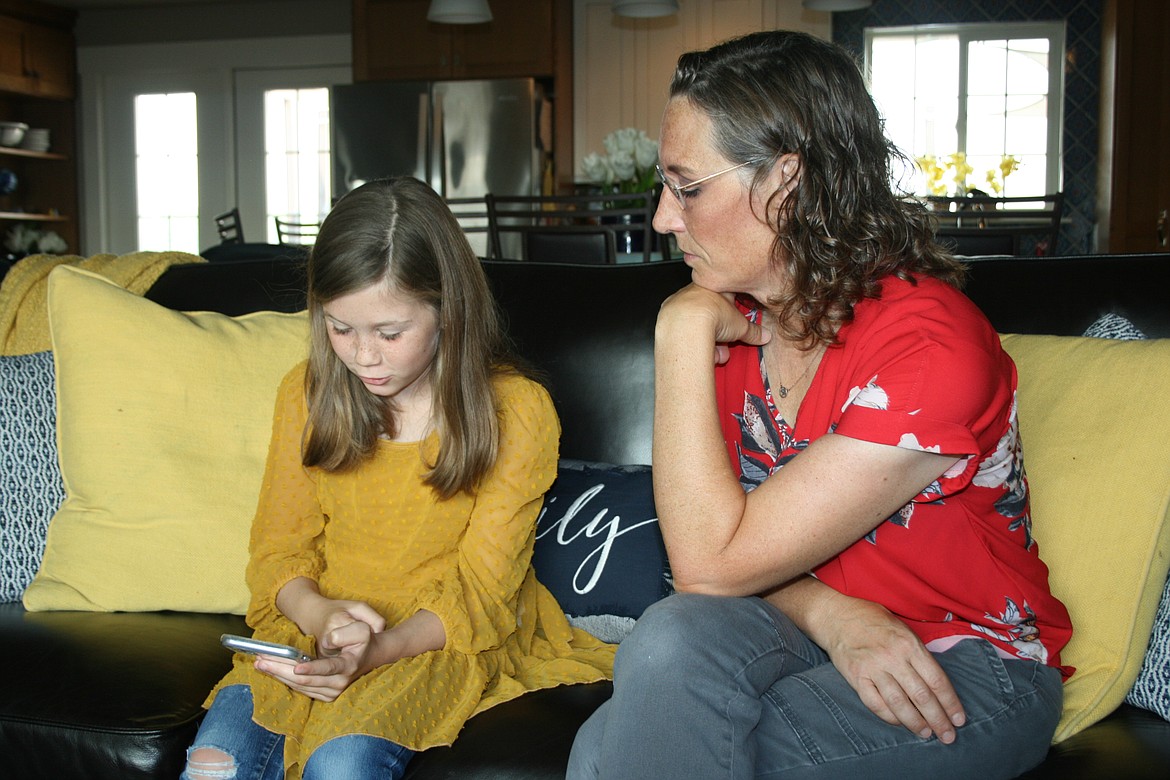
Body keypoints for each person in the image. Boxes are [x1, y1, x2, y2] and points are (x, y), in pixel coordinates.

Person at [568, 30, 1072, 780]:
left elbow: (709, 561)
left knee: (616, 749)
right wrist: (835, 616)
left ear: (787, 181)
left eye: (688, 186)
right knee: (670, 640)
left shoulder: (930, 349)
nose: (664, 220)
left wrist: (676, 328)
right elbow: (703, 570)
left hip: (968, 660)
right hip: (803, 620)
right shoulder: (736, 324)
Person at [183, 177, 613, 780]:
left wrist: (376, 650)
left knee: (340, 766)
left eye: (389, 333)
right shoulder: (305, 394)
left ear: (448, 310)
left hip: (436, 639)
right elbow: (278, 551)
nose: (363, 357)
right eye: (340, 328)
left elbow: (482, 591)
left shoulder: (516, 411)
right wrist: (321, 617)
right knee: (213, 764)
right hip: (314, 628)